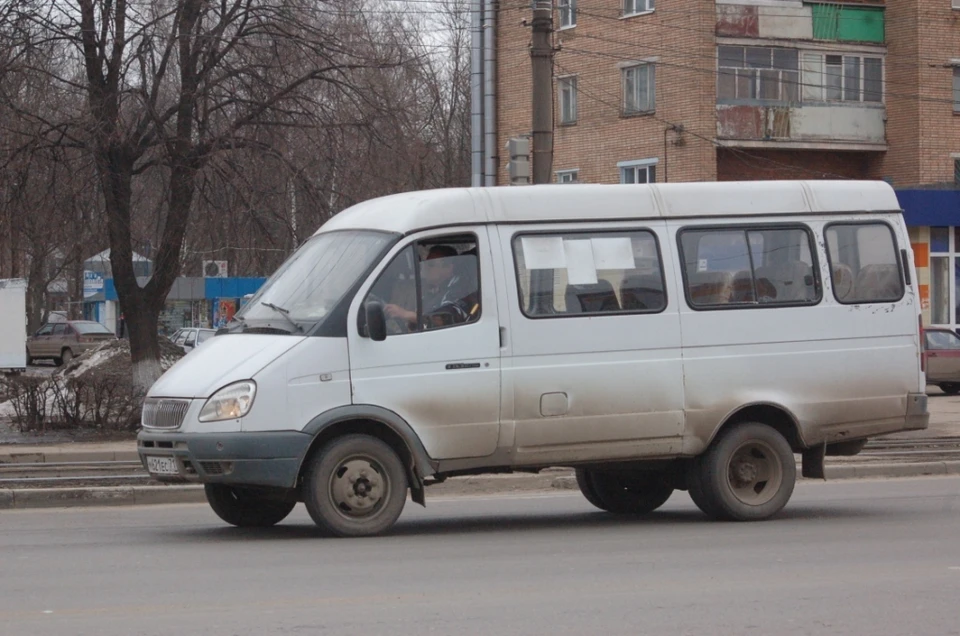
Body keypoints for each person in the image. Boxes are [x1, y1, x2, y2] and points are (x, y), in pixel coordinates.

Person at [384, 245, 476, 330]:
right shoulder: (435, 289)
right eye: (426, 263)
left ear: (448, 268)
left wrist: (405, 314)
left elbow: (443, 320)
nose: (425, 268)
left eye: (431, 265)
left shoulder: (460, 290)